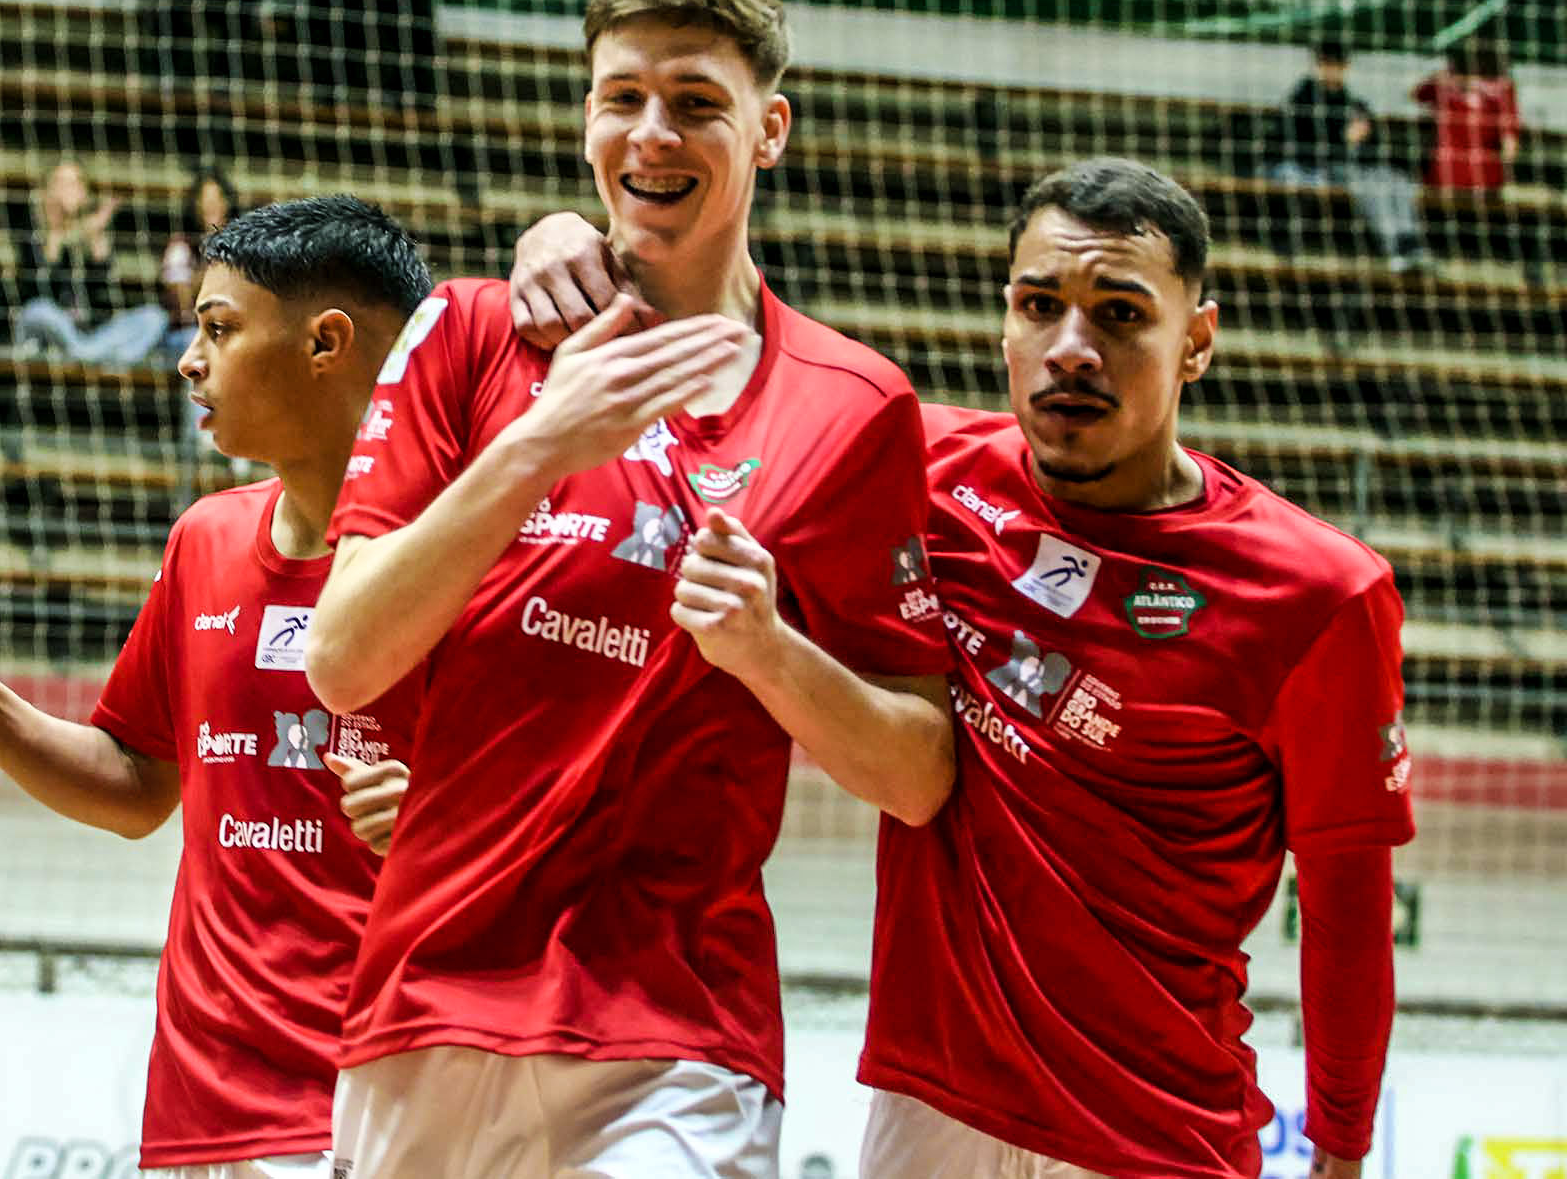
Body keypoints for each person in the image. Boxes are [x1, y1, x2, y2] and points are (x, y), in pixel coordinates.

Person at [508, 158, 1416, 1179]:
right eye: (1040, 305)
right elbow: (718, 406)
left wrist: (1342, 1154)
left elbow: (1346, 913)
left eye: (1121, 315)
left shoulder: (1319, 595)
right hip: (926, 1112)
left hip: (1158, 1140)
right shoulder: (915, 470)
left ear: (1195, 341)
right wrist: (571, 246)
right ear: (1004, 320)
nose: (1071, 348)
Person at [303, 0, 956, 1178]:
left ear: (768, 130)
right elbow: (340, 659)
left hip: (678, 1030)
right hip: (427, 994)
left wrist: (767, 652)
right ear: (585, 117)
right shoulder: (471, 331)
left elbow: (918, 775)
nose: (652, 133)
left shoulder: (854, 404)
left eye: (696, 103)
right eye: (622, 98)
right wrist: (538, 444)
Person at [0, 194, 431, 1178]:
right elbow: (135, 786)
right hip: (204, 1110)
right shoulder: (203, 541)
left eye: (219, 328)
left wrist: (439, 816)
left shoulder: (464, 558)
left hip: (397, 1101)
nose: (188, 359)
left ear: (325, 343)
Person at [1272, 40, 1431, 275]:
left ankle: (1410, 243)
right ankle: (1396, 250)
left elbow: (1374, 145)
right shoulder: (1301, 98)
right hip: (1314, 168)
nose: (1332, 69)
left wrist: (1363, 137)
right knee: (1370, 185)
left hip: (1352, 167)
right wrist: (1343, 139)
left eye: (1337, 64)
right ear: (1317, 65)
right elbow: (1299, 145)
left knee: (1395, 180)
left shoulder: (1353, 102)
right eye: (1326, 63)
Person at [1411, 39, 1542, 288]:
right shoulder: (1493, 87)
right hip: (1470, 176)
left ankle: (1454, 254)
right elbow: (1510, 144)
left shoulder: (1480, 86)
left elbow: (1415, 94)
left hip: (1453, 173)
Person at [12, 159, 170, 364]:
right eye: (62, 183)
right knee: (42, 311)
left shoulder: (92, 231)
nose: (70, 189)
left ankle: (88, 354)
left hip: (85, 335)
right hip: (46, 328)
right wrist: (56, 230)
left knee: (155, 317)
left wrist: (96, 238)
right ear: (47, 190)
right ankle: (97, 357)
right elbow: (41, 289)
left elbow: (100, 293)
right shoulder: (32, 229)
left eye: (76, 183)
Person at [160, 167, 239, 360]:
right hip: (187, 333)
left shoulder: (240, 244)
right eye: (204, 199)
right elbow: (183, 303)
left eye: (216, 198)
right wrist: (210, 262)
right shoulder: (181, 247)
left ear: (226, 203)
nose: (210, 205)